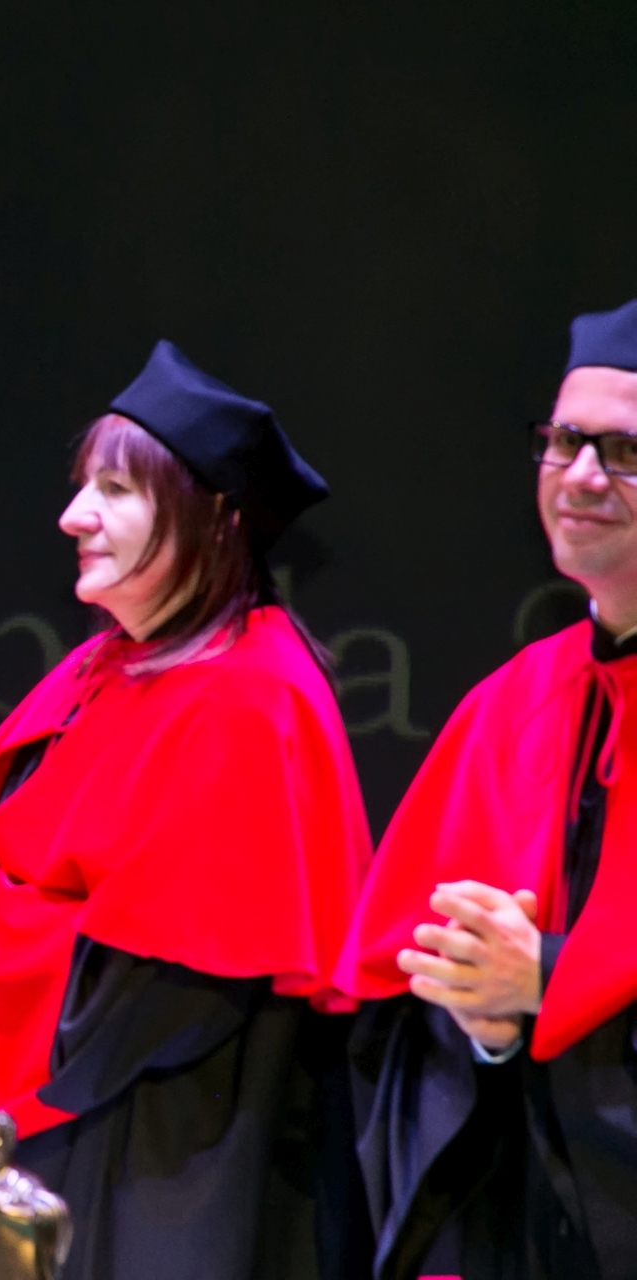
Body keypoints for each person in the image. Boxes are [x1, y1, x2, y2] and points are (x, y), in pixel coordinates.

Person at [0, 340, 373, 1280]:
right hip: (83, 1134)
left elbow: (163, 991)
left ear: (214, 515)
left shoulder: (250, 699)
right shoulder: (110, 663)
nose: (73, 516)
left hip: (172, 1159)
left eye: (116, 490)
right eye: (81, 487)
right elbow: (12, 857)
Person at [335, 297, 637, 1279]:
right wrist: (482, 1017)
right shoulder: (519, 699)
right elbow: (400, 995)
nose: (582, 475)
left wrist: (549, 973)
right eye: (565, 441)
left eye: (626, 452)